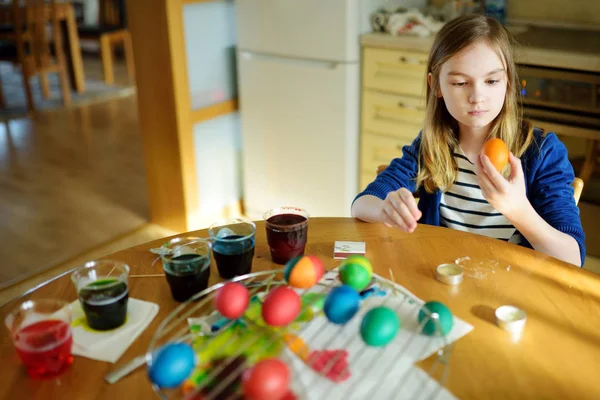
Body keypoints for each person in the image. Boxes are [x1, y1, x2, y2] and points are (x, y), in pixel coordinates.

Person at [351, 14, 585, 267]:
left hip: (510, 290)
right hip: (443, 282)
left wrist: (517, 209)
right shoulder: (431, 146)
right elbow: (362, 204)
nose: (477, 96)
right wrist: (385, 209)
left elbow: (572, 258)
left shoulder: (541, 153)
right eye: (461, 82)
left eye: (492, 81)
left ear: (508, 82)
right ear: (436, 86)